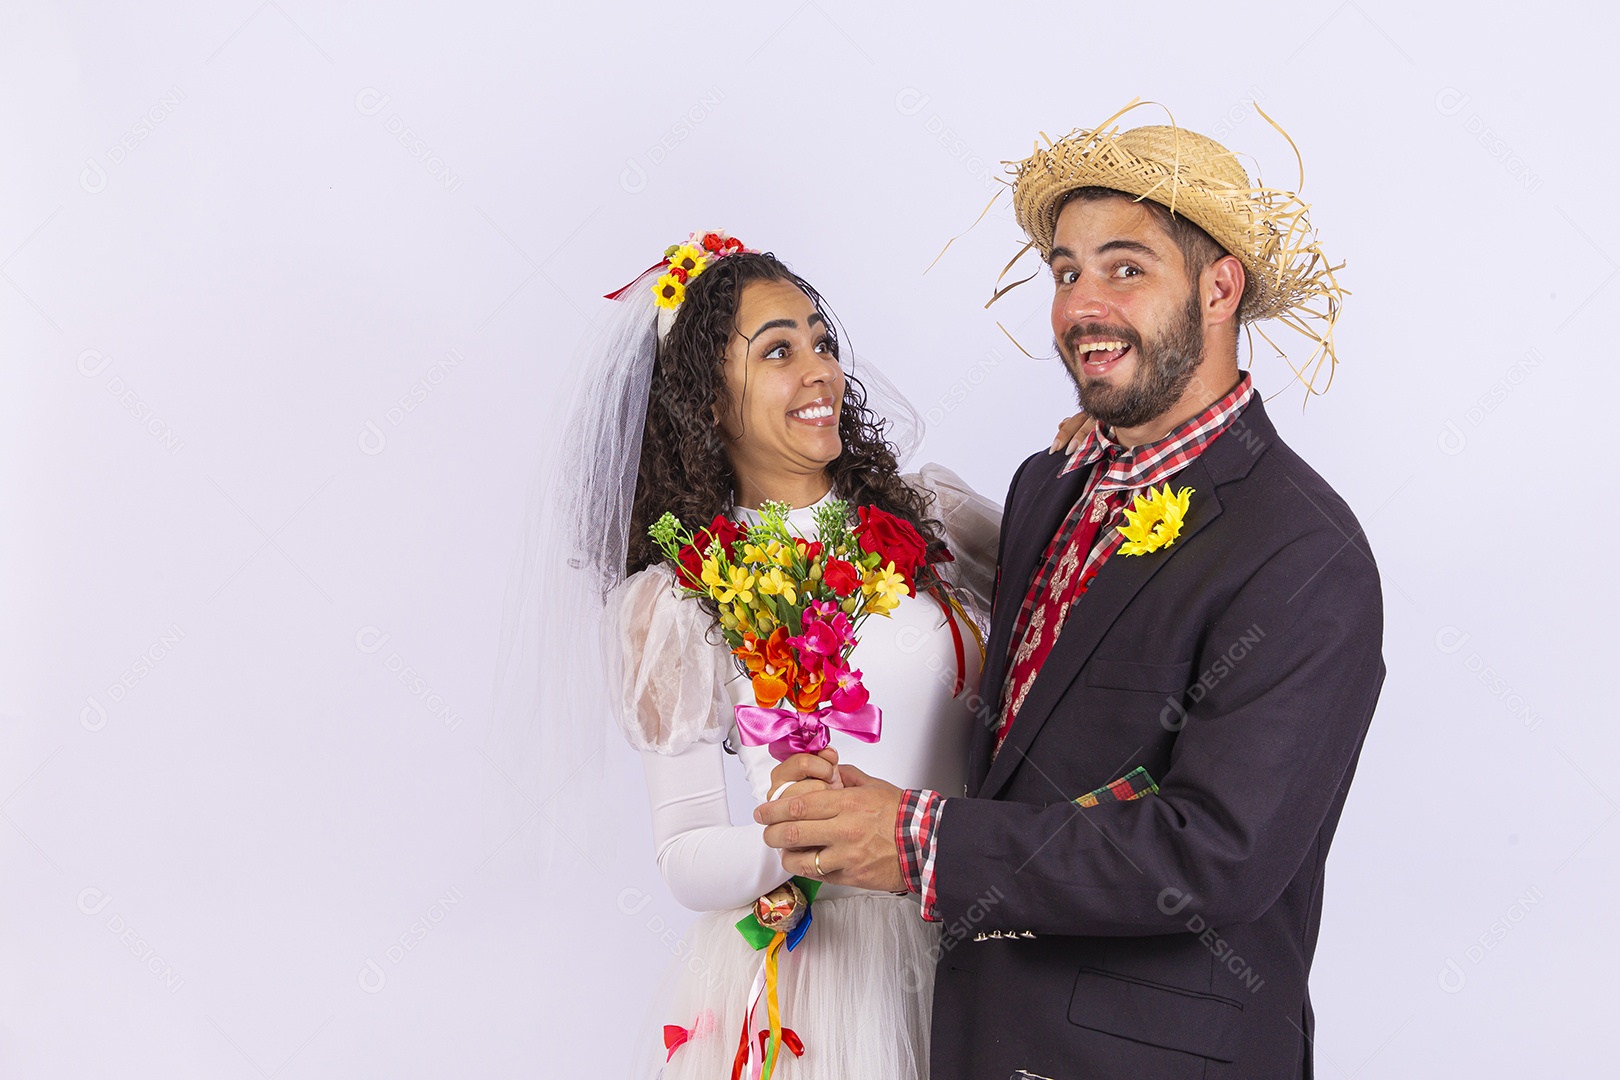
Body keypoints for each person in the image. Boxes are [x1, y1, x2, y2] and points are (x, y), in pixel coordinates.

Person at [755, 111, 1385, 1077]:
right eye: (1064, 271)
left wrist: (920, 843)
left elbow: (1215, 854)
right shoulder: (1047, 483)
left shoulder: (1303, 552)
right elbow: (1029, 749)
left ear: (1222, 287)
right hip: (973, 1036)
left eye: (1126, 268)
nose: (1081, 306)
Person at [506, 229, 1086, 1079]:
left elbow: (1075, 601)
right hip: (825, 973)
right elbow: (686, 853)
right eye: (778, 351)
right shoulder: (675, 602)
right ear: (707, 402)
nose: (819, 368)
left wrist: (1103, 462)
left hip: (980, 923)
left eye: (821, 340)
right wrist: (804, 844)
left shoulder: (931, 515)